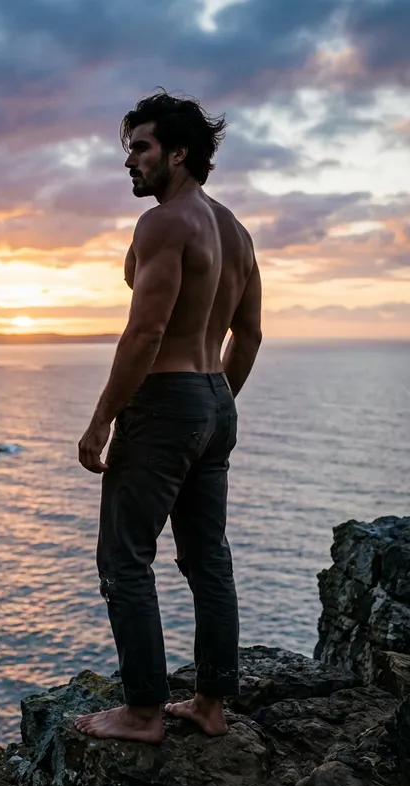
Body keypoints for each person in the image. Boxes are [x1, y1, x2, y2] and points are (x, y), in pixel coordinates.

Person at [75, 90, 263, 745]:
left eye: (141, 147)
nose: (129, 160)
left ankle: (143, 712)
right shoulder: (235, 231)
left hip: (163, 402)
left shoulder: (163, 223)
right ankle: (210, 704)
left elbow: (145, 332)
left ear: (178, 153)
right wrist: (214, 404)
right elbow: (250, 333)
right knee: (208, 560)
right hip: (214, 395)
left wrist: (102, 419)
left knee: (124, 559)